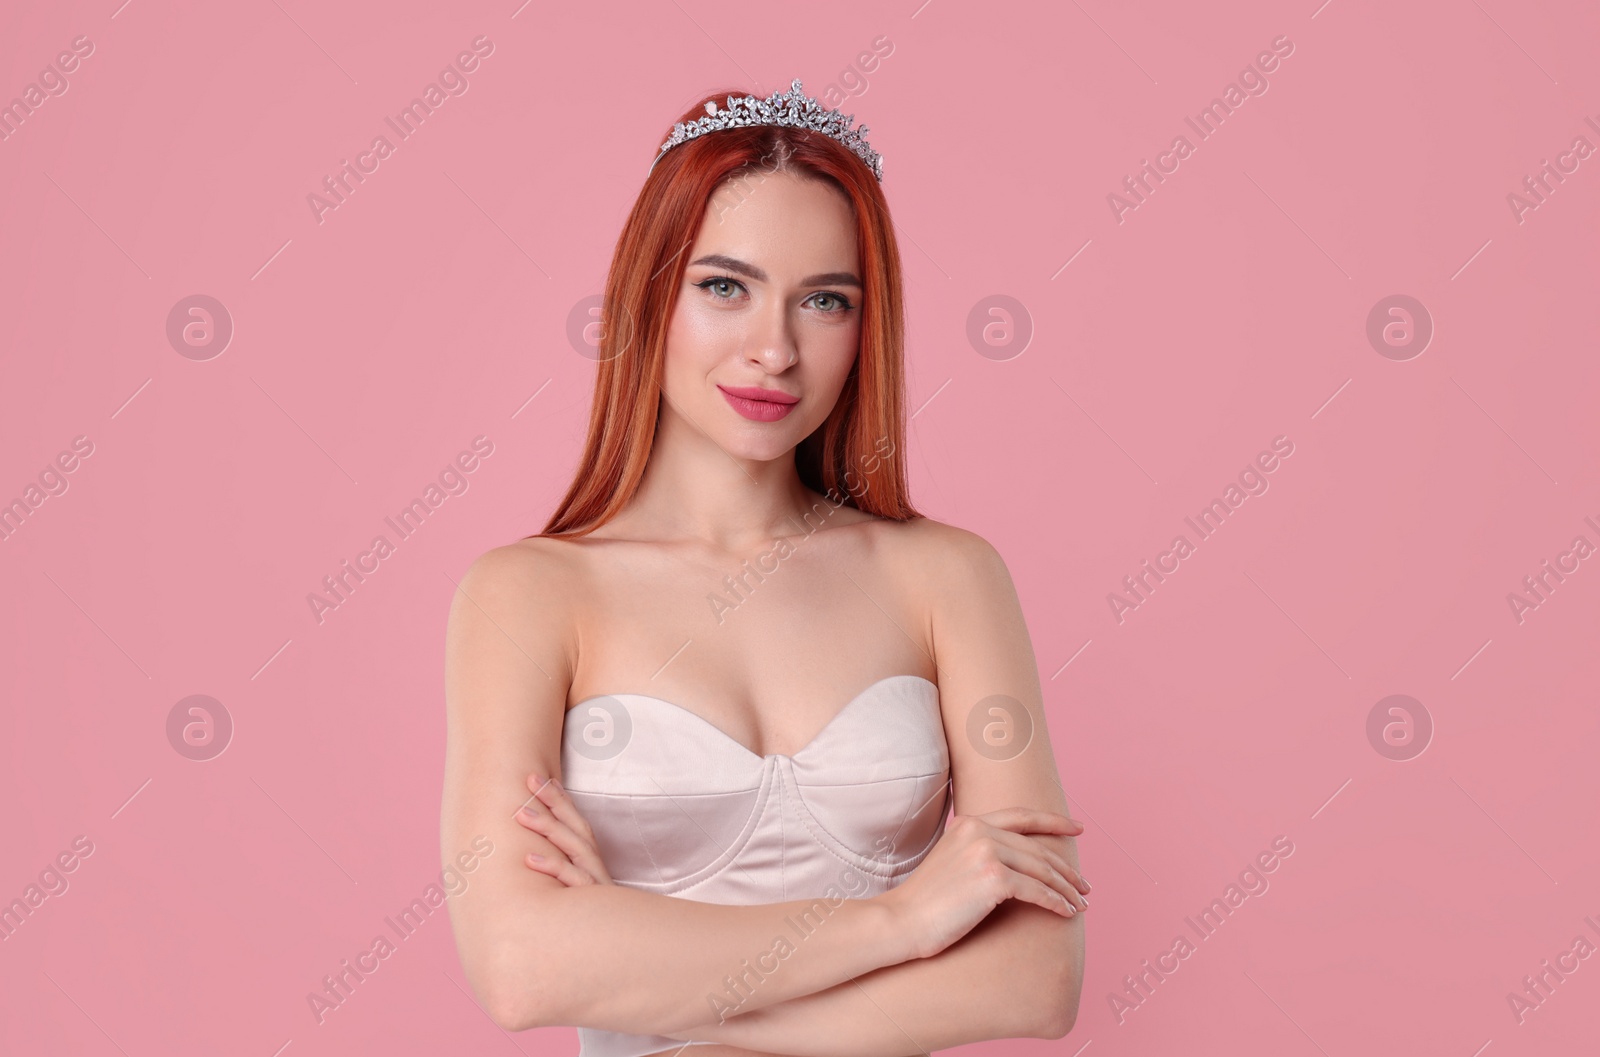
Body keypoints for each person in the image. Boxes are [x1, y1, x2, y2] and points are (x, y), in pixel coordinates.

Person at [440, 78, 1088, 1057]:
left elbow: (1038, 979)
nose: (774, 349)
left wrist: (651, 977)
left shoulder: (948, 578)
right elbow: (519, 962)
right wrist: (902, 921)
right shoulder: (529, 594)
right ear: (650, 293)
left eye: (824, 301)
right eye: (724, 287)